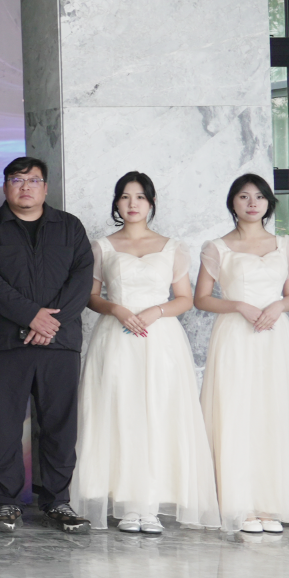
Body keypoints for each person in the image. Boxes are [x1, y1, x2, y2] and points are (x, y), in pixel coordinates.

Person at [76, 173, 219, 533]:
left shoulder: (173, 247)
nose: (132, 203)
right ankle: (127, 504)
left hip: (161, 340)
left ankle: (151, 504)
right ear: (116, 203)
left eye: (140, 197)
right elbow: (90, 296)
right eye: (125, 197)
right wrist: (116, 309)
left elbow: (184, 299)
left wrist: (156, 311)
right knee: (120, 413)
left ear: (151, 203)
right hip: (116, 337)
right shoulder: (102, 247)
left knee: (160, 412)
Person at [0, 155, 96, 534]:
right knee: (5, 427)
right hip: (8, 344)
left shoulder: (70, 227)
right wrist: (31, 316)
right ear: (5, 185)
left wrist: (49, 323)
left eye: (33, 180)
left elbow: (81, 280)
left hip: (60, 343)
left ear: (45, 187)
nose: (25, 187)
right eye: (17, 180)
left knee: (60, 426)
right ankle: (7, 503)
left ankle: (58, 501)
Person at [197, 174, 289, 534]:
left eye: (259, 197)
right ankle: (240, 505)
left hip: (273, 335)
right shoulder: (216, 247)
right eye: (243, 196)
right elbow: (201, 299)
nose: (252, 203)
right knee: (236, 411)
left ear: (269, 203)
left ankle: (271, 503)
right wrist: (239, 305)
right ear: (232, 202)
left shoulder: (285, 246)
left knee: (273, 413)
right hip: (234, 335)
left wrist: (277, 307)